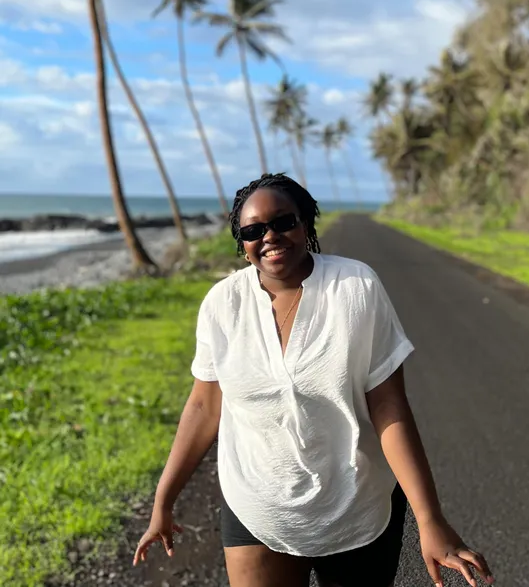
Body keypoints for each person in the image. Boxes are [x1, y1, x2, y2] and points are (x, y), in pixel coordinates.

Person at [134, 173, 494, 587]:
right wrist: (164, 500)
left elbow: (389, 407)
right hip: (257, 505)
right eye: (253, 230)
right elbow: (203, 406)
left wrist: (430, 521)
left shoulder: (355, 287)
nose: (269, 236)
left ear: (306, 222)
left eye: (283, 222)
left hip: (355, 507)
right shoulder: (222, 304)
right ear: (242, 242)